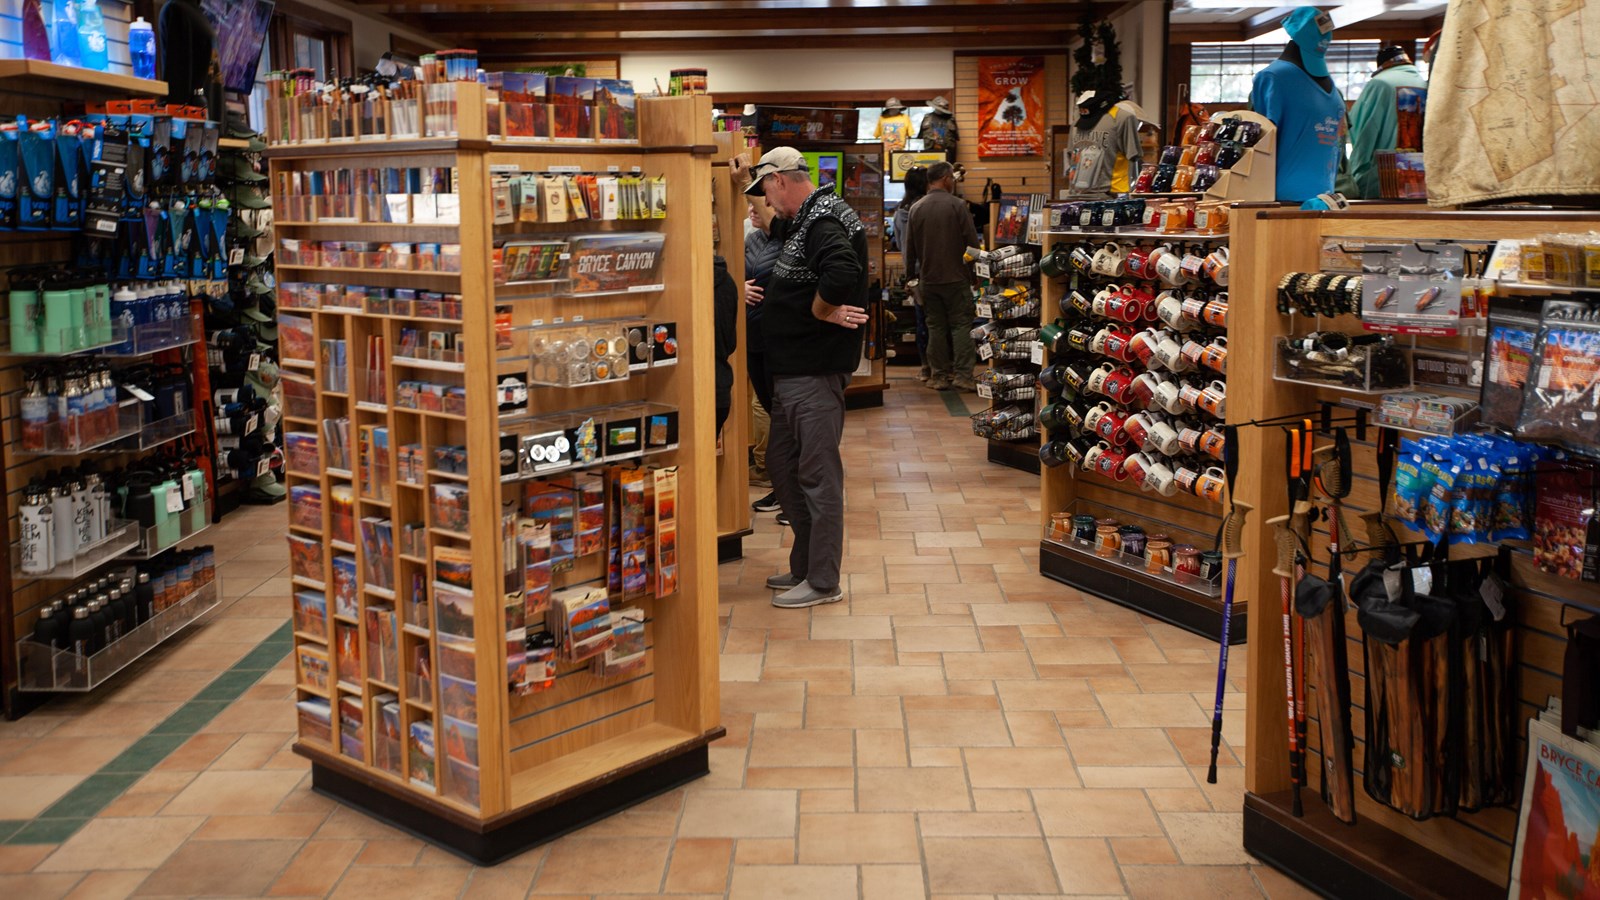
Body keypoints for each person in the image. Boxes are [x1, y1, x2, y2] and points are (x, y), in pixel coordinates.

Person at [742, 146, 869, 609]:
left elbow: (841, 270)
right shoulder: (808, 216)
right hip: (794, 372)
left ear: (780, 180)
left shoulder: (824, 219)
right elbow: (776, 225)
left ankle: (823, 580)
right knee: (782, 464)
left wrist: (823, 310)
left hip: (814, 373)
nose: (767, 204)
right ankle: (805, 563)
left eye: (766, 191)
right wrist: (742, 180)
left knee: (817, 475)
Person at [734, 154, 789, 513]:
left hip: (782, 344)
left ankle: (792, 497)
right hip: (753, 343)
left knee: (785, 418)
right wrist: (740, 288)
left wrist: (745, 183)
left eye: (762, 202)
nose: (756, 210)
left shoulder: (788, 236)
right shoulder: (749, 239)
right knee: (770, 409)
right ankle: (782, 489)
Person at [905, 160, 980, 392]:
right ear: (946, 178)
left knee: (935, 327)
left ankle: (938, 376)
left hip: (928, 279)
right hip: (956, 278)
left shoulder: (916, 208)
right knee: (960, 326)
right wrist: (975, 273)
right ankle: (963, 375)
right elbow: (972, 244)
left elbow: (910, 249)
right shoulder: (958, 206)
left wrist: (911, 278)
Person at [1339, 44, 1429, 199]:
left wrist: (1355, 171)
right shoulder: (1425, 84)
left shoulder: (1380, 83)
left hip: (1380, 178)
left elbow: (1361, 129)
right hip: (1421, 177)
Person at [892, 166, 933, 382]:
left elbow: (899, 243)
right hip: (935, 271)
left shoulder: (900, 212)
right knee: (939, 322)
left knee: (921, 321)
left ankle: (925, 366)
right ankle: (942, 367)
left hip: (914, 275)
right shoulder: (928, 208)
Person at [711, 254, 738, 435]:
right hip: (721, 386)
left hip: (695, 391)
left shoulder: (683, 281)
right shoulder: (727, 280)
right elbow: (730, 343)